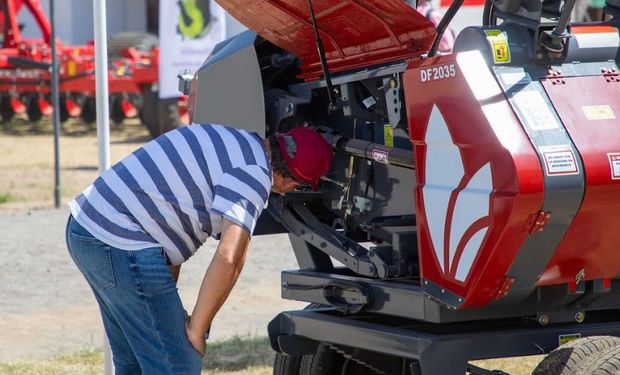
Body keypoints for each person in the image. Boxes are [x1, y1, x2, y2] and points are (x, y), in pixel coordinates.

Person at [65, 123, 333, 374]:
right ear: (291, 182)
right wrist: (196, 329)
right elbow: (230, 258)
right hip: (119, 238)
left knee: (134, 361)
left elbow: (167, 217)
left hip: (87, 228)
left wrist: (169, 307)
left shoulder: (234, 141)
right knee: (179, 363)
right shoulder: (253, 176)